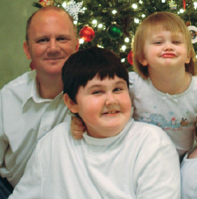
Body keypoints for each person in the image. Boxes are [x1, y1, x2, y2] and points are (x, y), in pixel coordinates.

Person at [9, 46, 181, 199]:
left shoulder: (152, 144)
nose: (111, 100)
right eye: (97, 92)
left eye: (118, 89)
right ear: (71, 103)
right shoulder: (54, 142)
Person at [72, 12, 197, 158]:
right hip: (140, 158)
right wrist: (80, 121)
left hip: (182, 162)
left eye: (176, 42)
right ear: (142, 57)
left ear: (188, 55)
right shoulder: (131, 85)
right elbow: (104, 105)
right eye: (158, 42)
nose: (168, 46)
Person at [0, 6, 79, 198]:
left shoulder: (97, 95)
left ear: (77, 46)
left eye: (61, 38)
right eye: (42, 40)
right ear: (27, 50)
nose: (53, 48)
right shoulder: (8, 97)